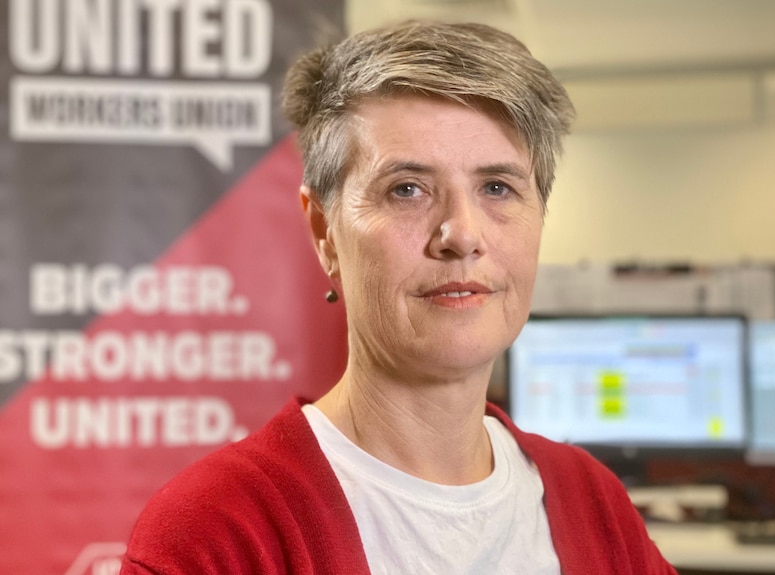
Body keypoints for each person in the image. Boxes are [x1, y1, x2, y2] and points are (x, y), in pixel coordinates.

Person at [121, 20, 678, 575]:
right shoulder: (216, 532)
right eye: (407, 189)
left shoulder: (594, 501)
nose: (462, 233)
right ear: (324, 232)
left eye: (497, 187)